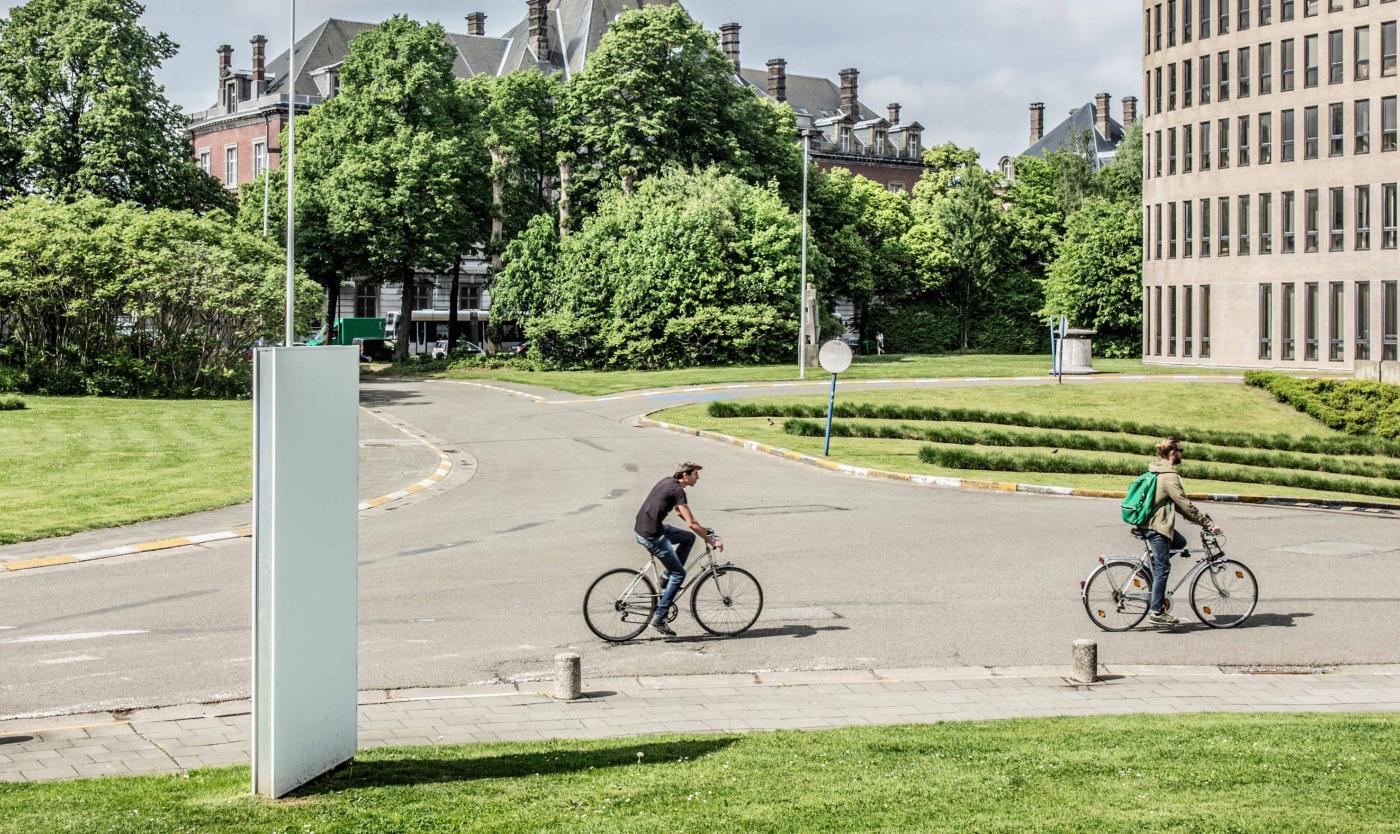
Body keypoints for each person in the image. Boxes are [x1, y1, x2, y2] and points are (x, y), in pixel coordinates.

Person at [634, 461, 722, 637]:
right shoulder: (678, 490)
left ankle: (667, 577)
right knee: (680, 574)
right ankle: (659, 617)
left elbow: (680, 513)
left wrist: (701, 529)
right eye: (696, 474)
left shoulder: (668, 482)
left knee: (688, 538)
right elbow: (690, 522)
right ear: (685, 476)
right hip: (651, 535)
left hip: (647, 527)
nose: (698, 478)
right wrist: (711, 541)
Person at [1144, 437, 1223, 626]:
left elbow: (1179, 507)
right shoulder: (1169, 476)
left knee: (1179, 543)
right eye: (1181, 451)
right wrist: (1207, 523)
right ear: (1172, 453)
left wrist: (1200, 521)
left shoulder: (1157, 469)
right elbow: (1184, 504)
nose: (1182, 454)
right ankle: (1157, 611)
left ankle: (1150, 569)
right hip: (1157, 527)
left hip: (1152, 523)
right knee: (1163, 569)